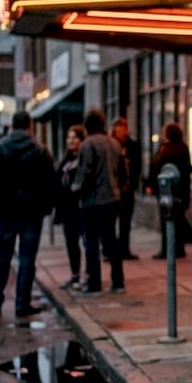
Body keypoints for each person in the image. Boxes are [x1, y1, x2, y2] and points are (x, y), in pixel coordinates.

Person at [0, 111, 57, 319]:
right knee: (27, 259)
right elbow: (49, 183)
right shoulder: (40, 150)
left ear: (12, 125)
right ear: (30, 125)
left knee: (2, 257)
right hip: (31, 213)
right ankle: (21, 303)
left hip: (6, 212)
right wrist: (45, 207)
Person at [74, 109, 127, 296]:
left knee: (92, 244)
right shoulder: (114, 143)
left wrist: (77, 190)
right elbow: (123, 173)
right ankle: (118, 281)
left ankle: (94, 284)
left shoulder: (87, 145)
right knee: (111, 241)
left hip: (93, 201)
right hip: (112, 198)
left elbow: (85, 173)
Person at [150, 122, 192, 260]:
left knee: (167, 219)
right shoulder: (183, 148)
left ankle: (167, 248)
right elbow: (186, 171)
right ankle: (179, 248)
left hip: (166, 190)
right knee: (178, 218)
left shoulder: (165, 150)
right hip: (180, 190)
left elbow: (156, 168)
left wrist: (151, 184)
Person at [54, 125, 87, 290]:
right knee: (71, 244)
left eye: (74, 137)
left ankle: (89, 276)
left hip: (81, 207)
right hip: (67, 209)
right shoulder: (66, 160)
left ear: (81, 140)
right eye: (69, 137)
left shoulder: (84, 159)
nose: (71, 141)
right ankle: (75, 275)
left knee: (87, 243)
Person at [111, 116, 141, 260]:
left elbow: (137, 167)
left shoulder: (133, 146)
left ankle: (124, 249)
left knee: (126, 221)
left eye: (123, 129)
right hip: (113, 189)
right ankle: (111, 250)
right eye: (118, 129)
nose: (121, 132)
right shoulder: (110, 144)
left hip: (128, 189)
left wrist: (132, 184)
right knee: (111, 222)